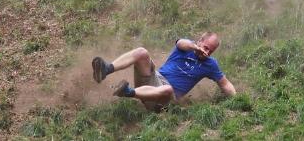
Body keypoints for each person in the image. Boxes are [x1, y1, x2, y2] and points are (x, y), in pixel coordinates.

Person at [90, 33, 236, 112]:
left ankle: (127, 92)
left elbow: (225, 84)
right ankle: (106, 69)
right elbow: (181, 43)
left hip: (164, 101)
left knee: (167, 89)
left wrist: (237, 99)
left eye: (211, 50)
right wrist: (195, 48)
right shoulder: (186, 46)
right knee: (142, 52)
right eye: (205, 47)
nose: (207, 51)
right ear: (199, 41)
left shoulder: (211, 64)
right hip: (154, 79)